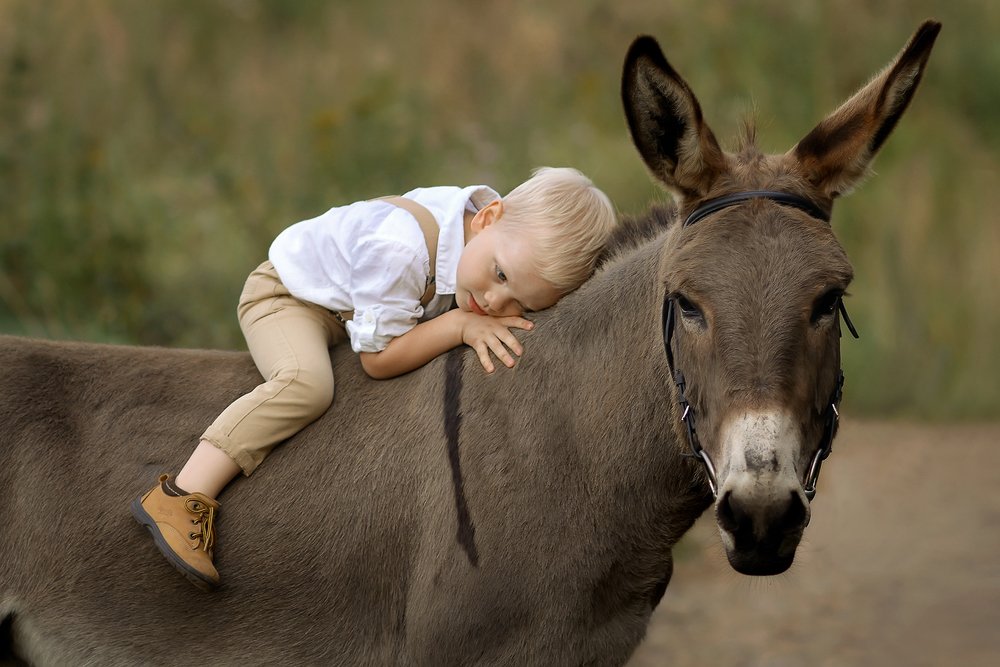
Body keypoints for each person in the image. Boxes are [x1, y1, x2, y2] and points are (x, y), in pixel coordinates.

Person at [130, 167, 617, 590]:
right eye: (501, 276)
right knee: (305, 385)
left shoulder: (483, 241)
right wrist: (457, 325)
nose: (493, 302)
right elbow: (378, 361)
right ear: (488, 217)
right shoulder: (402, 249)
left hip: (351, 308)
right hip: (291, 297)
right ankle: (182, 495)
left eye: (521, 306)